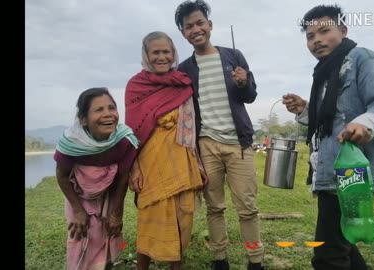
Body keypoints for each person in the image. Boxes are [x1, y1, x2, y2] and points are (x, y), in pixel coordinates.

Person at [283, 4, 374, 270]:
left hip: (353, 172)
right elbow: (329, 121)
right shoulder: (325, 72)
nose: (316, 40)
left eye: (324, 31)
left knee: (328, 255)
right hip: (330, 171)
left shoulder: (361, 58)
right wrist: (305, 109)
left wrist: (364, 124)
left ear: (343, 30)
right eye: (310, 36)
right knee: (344, 246)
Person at [174, 1, 264, 269]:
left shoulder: (233, 56)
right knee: (214, 207)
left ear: (209, 25)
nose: (196, 29)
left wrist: (243, 82)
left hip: (239, 144)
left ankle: (255, 261)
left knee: (247, 207)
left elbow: (250, 96)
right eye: (188, 26)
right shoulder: (184, 69)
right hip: (206, 145)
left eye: (200, 22)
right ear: (183, 33)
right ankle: (219, 259)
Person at [125, 31, 208, 270]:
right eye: (156, 52)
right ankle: (143, 266)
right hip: (150, 162)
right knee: (151, 214)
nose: (161, 57)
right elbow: (132, 133)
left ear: (173, 54)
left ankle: (176, 267)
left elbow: (191, 127)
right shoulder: (136, 86)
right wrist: (135, 167)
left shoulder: (183, 83)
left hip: (182, 158)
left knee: (184, 215)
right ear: (147, 56)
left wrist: (199, 164)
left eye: (166, 52)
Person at [54, 87, 139, 270]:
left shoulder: (124, 140)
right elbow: (61, 176)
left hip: (109, 195)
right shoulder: (71, 143)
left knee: (109, 235)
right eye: (99, 110)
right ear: (83, 119)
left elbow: (123, 178)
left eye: (111, 108)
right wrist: (78, 210)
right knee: (80, 236)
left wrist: (117, 213)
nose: (108, 114)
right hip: (79, 196)